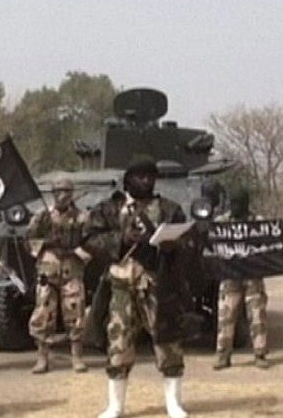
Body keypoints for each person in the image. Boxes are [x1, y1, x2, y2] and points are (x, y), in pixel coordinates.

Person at [84, 155, 191, 418]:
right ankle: (116, 406)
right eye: (140, 176)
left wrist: (173, 245)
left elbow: (188, 239)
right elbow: (88, 238)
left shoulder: (169, 208)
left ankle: (174, 404)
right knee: (118, 344)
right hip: (120, 286)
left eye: (150, 176)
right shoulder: (109, 209)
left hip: (158, 285)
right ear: (128, 179)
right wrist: (121, 238)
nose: (146, 181)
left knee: (168, 342)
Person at [26, 178, 92, 374]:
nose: (62, 196)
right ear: (53, 194)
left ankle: (77, 356)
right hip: (48, 269)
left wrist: (76, 250)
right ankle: (42, 357)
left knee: (75, 311)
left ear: (72, 194)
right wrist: (45, 242)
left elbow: (92, 241)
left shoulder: (82, 217)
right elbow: (28, 239)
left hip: (71, 268)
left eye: (66, 192)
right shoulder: (43, 216)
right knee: (43, 313)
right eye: (58, 192)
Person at [213, 187, 270, 370]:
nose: (234, 207)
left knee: (257, 315)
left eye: (238, 203)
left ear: (246, 204)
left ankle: (260, 354)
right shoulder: (222, 222)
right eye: (232, 203)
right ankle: (223, 355)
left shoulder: (257, 223)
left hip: (252, 276)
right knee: (226, 315)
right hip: (230, 275)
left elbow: (269, 239)